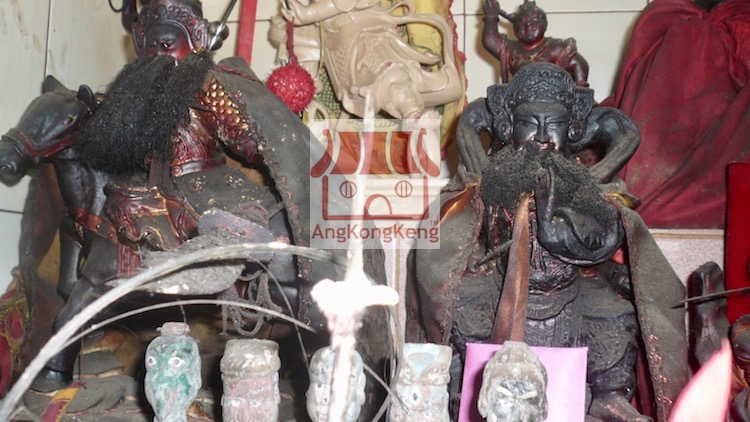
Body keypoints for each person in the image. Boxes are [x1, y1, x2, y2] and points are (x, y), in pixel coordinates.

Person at [30, 0, 371, 393]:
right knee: (104, 243)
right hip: (143, 190)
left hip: (207, 183)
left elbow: (246, 136)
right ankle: (61, 356)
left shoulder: (206, 86)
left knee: (246, 223)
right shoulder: (130, 94)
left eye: (169, 42)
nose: (160, 50)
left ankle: (259, 280)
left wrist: (266, 136)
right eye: (152, 43)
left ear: (193, 39)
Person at [408, 63, 688, 421]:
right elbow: (450, 237)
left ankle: (608, 398)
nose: (541, 136)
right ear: (509, 127)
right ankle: (463, 394)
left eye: (553, 124)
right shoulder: (486, 187)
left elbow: (607, 236)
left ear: (571, 130)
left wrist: (559, 231)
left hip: (571, 294)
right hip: (498, 293)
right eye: (529, 123)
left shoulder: (587, 191)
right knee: (456, 310)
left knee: (617, 316)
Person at [481, 0, 589, 87]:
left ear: (545, 24)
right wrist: (491, 17)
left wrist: (580, 89)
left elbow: (580, 64)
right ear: (514, 27)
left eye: (534, 20)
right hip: (519, 99)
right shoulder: (511, 48)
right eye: (521, 21)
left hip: (552, 99)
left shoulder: (556, 47)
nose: (528, 25)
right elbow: (490, 40)